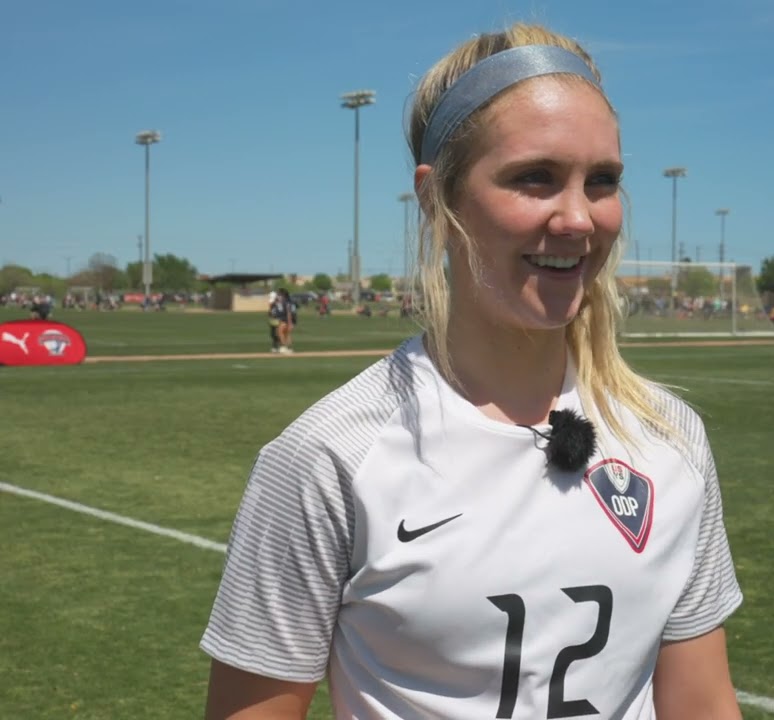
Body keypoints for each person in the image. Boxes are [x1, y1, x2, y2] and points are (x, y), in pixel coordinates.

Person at [202, 23, 743, 720]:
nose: (578, 218)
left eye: (601, 181)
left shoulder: (670, 439)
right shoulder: (331, 457)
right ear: (437, 199)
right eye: (534, 178)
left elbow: (701, 703)